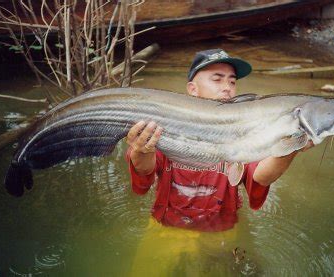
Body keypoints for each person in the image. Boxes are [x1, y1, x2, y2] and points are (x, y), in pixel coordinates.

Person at [125, 48, 313, 233]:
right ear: (193, 89)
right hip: (166, 226)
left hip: (222, 230)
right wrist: (141, 149)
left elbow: (261, 177)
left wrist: (291, 145)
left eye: (232, 82)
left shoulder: (245, 131)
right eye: (217, 79)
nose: (227, 88)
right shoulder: (166, 124)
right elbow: (144, 172)